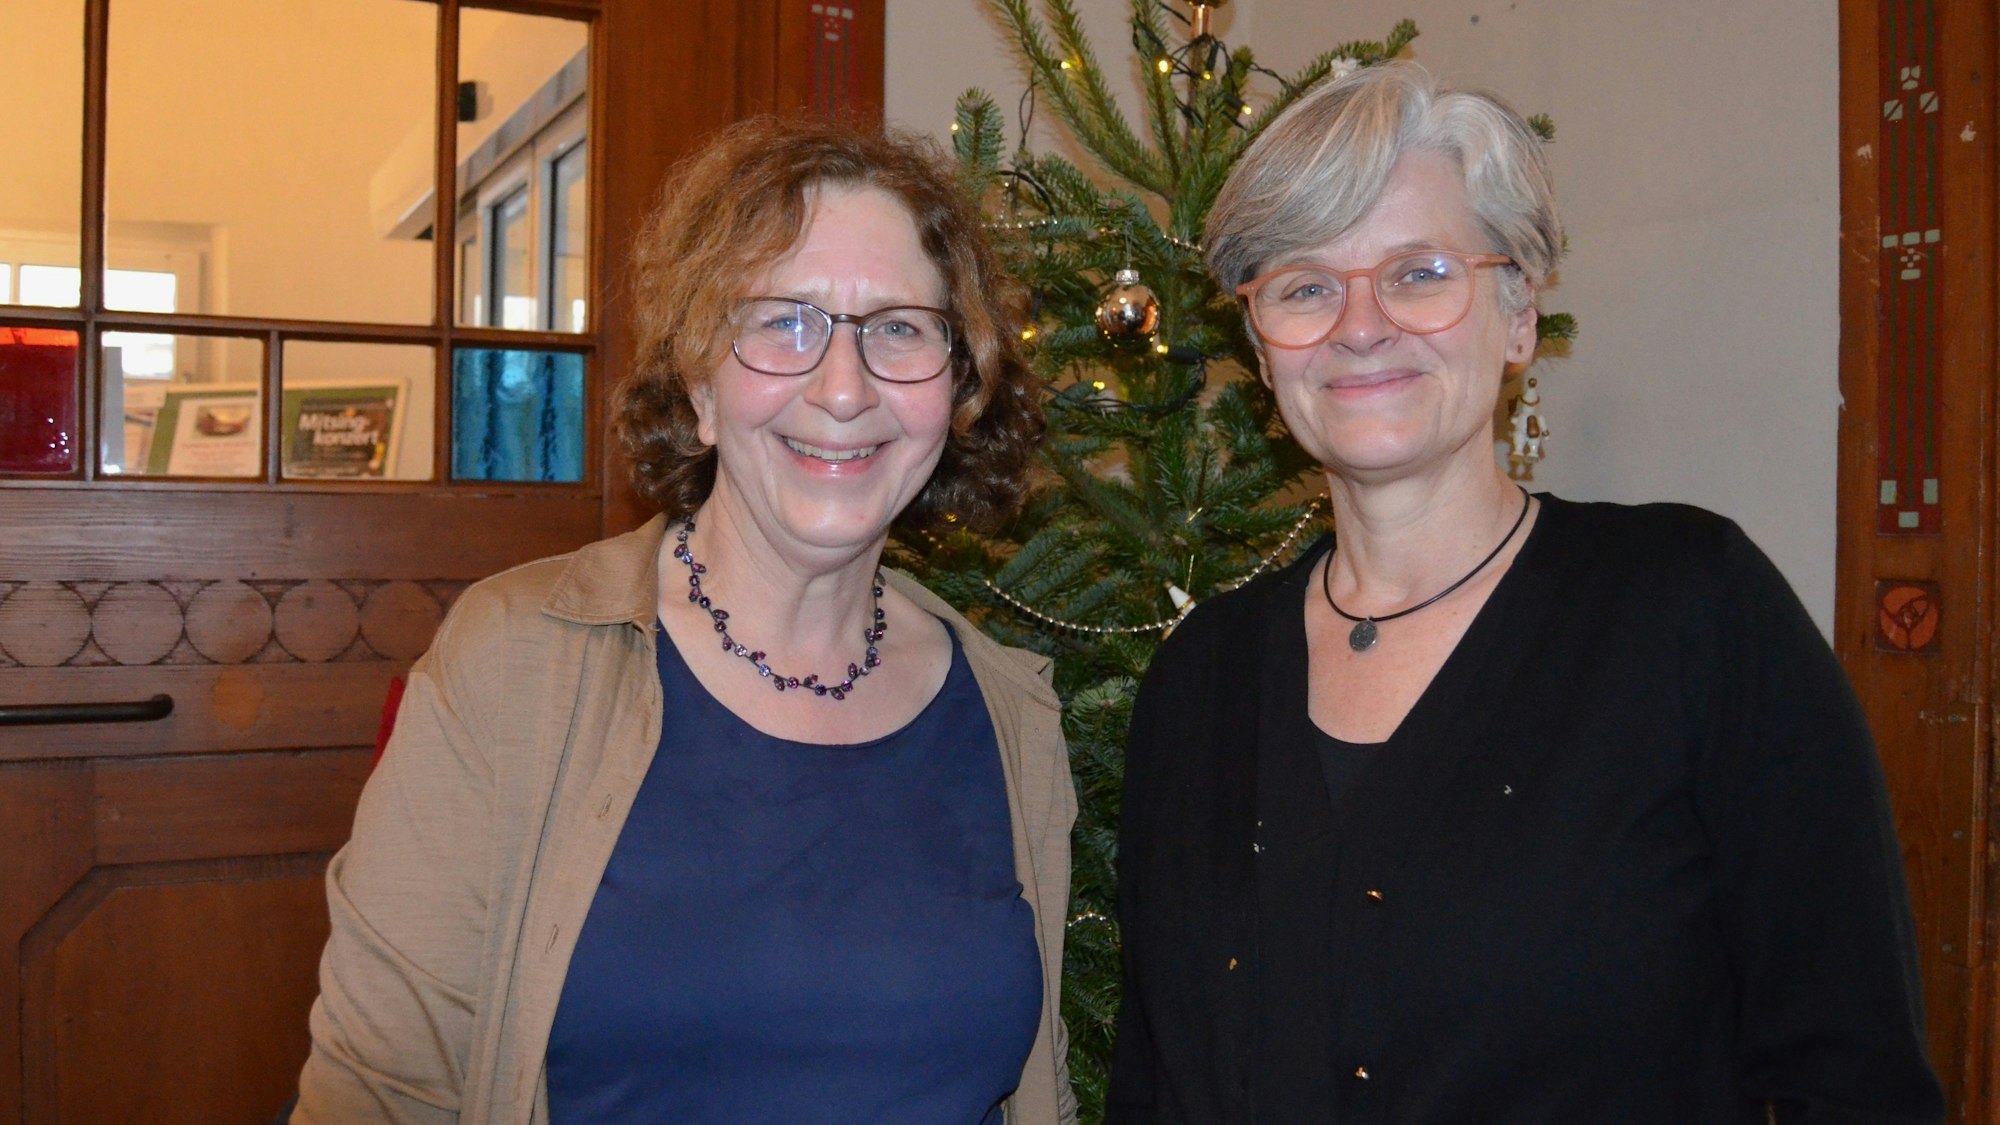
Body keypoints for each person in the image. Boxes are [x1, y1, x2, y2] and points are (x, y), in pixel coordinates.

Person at [1106, 61, 1943, 1123]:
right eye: (1304, 285)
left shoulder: (1690, 610)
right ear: (1262, 349)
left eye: (1417, 273)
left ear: (1515, 316)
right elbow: (1153, 1087)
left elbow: (1852, 1076)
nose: (1358, 325)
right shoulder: (1199, 678)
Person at [293, 117, 1076, 1124]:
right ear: (700, 383)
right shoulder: (514, 663)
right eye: (782, 322)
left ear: (958, 390)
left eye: (898, 329)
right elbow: (379, 1098)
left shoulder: (1010, 714)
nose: (843, 388)